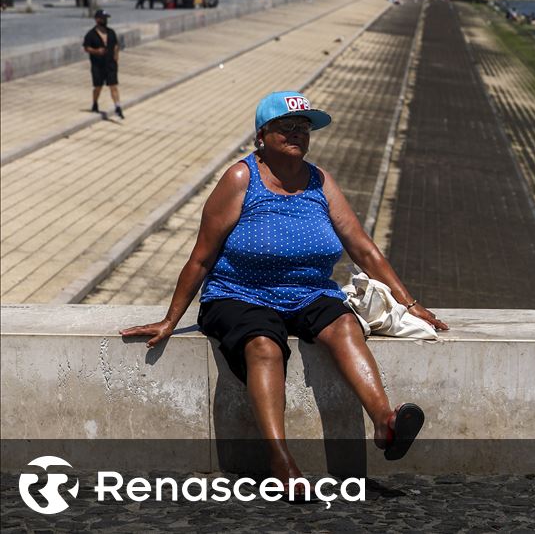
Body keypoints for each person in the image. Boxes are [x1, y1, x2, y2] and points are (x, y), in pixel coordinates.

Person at [121, 91, 448, 484]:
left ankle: (385, 421)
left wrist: (408, 303)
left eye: (303, 128)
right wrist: (170, 319)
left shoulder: (320, 180)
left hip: (310, 292)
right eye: (286, 127)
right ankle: (281, 460)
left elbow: (363, 247)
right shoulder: (242, 178)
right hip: (239, 293)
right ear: (263, 134)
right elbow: (202, 257)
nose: (297, 134)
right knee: (264, 345)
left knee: (346, 326)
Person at [83, 10, 123, 118]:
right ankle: (95, 103)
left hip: (110, 64)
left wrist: (116, 54)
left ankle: (118, 107)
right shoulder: (91, 34)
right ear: (97, 20)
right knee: (98, 86)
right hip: (97, 65)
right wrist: (96, 51)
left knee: (113, 85)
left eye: (106, 19)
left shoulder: (111, 32)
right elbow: (86, 48)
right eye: (103, 18)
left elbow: (116, 45)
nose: (105, 21)